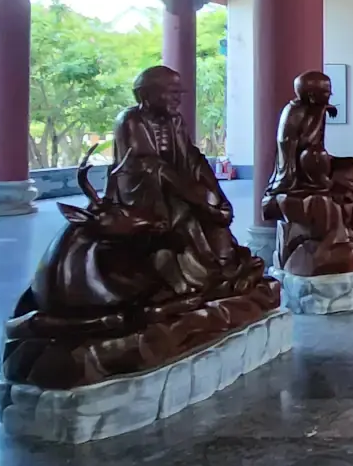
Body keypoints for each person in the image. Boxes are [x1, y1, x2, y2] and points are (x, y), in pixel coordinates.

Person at [111, 65, 263, 295]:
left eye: (179, 93)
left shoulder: (175, 120)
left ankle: (221, 266)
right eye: (171, 93)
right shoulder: (131, 119)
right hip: (144, 194)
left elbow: (192, 158)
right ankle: (199, 277)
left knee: (212, 215)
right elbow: (148, 165)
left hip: (176, 189)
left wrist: (217, 197)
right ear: (145, 94)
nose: (177, 99)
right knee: (186, 216)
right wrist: (196, 198)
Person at [263, 71, 353, 276]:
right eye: (326, 93)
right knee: (314, 156)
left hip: (319, 162)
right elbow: (298, 147)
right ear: (310, 95)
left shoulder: (315, 108)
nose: (330, 95)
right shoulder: (295, 112)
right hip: (300, 170)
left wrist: (324, 109)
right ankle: (336, 239)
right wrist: (321, 112)